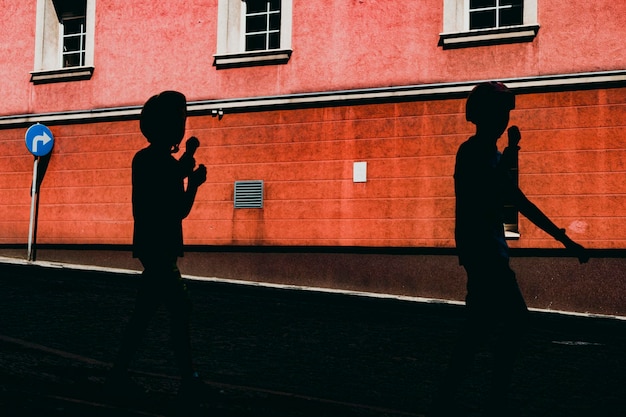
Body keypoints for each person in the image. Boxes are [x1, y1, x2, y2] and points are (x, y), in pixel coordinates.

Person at [429, 82, 588, 417]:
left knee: (477, 331)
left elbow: (515, 199)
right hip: (483, 255)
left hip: (487, 253)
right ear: (483, 116)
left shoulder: (491, 155)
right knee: (513, 321)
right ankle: (492, 399)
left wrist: (564, 239)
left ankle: (451, 398)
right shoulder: (471, 152)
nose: (504, 119)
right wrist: (513, 151)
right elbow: (495, 192)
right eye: (499, 112)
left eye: (505, 113)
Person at [107, 91, 207, 403]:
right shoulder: (157, 162)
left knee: (146, 314)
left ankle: (120, 374)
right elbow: (179, 206)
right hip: (159, 249)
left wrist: (189, 171)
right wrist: (193, 177)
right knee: (179, 308)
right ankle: (187, 379)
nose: (181, 123)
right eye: (178, 118)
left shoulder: (147, 160)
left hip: (155, 248)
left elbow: (176, 188)